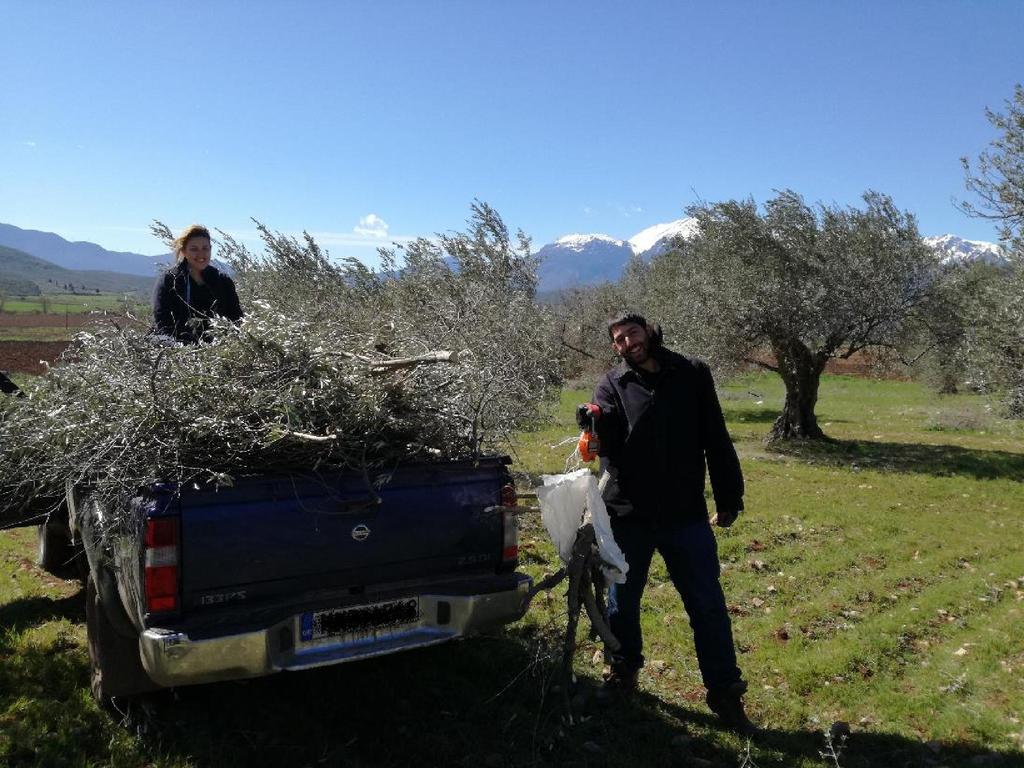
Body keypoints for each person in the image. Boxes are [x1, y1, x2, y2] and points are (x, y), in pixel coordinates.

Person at [584, 311, 755, 734]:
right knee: (622, 603)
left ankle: (725, 694)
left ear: (649, 332)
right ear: (615, 348)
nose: (627, 343)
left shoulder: (692, 373)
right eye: (619, 340)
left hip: (685, 513)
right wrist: (593, 422)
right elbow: (605, 429)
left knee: (708, 606)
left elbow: (715, 435)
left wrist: (729, 496)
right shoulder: (613, 383)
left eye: (632, 333)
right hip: (628, 514)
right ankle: (624, 672)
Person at [153, 224, 242, 343]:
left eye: (205, 248)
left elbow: (236, 318)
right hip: (177, 351)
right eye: (194, 249)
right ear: (184, 251)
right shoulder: (170, 280)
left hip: (218, 352)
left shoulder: (222, 281)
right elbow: (162, 320)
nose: (201, 254)